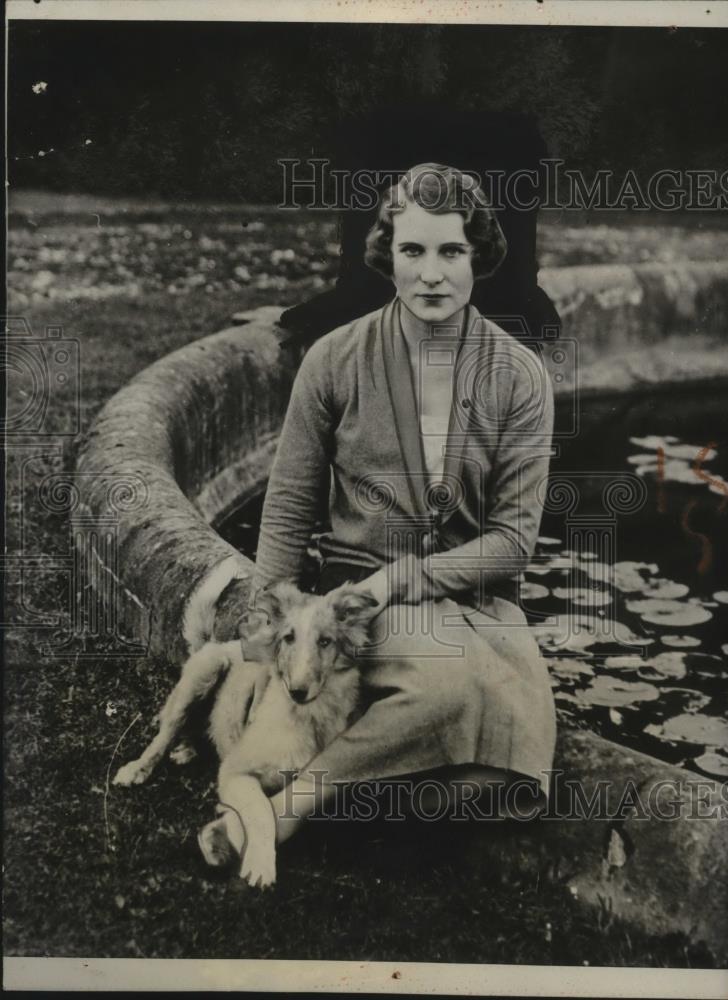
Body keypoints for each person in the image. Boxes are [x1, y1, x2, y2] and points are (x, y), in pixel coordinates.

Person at [246, 163, 556, 847]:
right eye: (412, 251)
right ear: (388, 256)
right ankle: (290, 807)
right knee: (445, 693)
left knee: (513, 762)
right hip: (357, 599)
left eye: (452, 251)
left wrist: (407, 580)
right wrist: (260, 636)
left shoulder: (520, 377)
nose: (432, 274)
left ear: (480, 257)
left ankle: (334, 795)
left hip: (477, 600)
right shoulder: (333, 360)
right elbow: (289, 509)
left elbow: (512, 542)